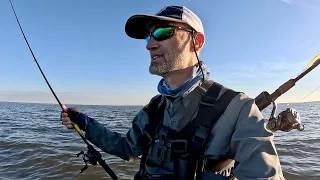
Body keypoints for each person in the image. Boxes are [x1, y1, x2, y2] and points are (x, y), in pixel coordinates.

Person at [61, 5, 285, 180]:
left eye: (162, 32)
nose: (149, 45)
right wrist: (86, 124)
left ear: (196, 42)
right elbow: (126, 148)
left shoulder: (238, 108)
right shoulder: (155, 108)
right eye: (149, 37)